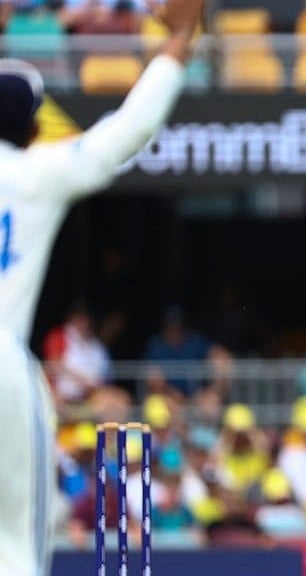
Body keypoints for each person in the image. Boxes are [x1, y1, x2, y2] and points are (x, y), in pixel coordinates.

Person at [0, 1, 204, 574]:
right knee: (16, 549)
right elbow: (127, 133)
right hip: (4, 370)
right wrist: (180, 40)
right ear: (36, 128)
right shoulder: (34, 172)